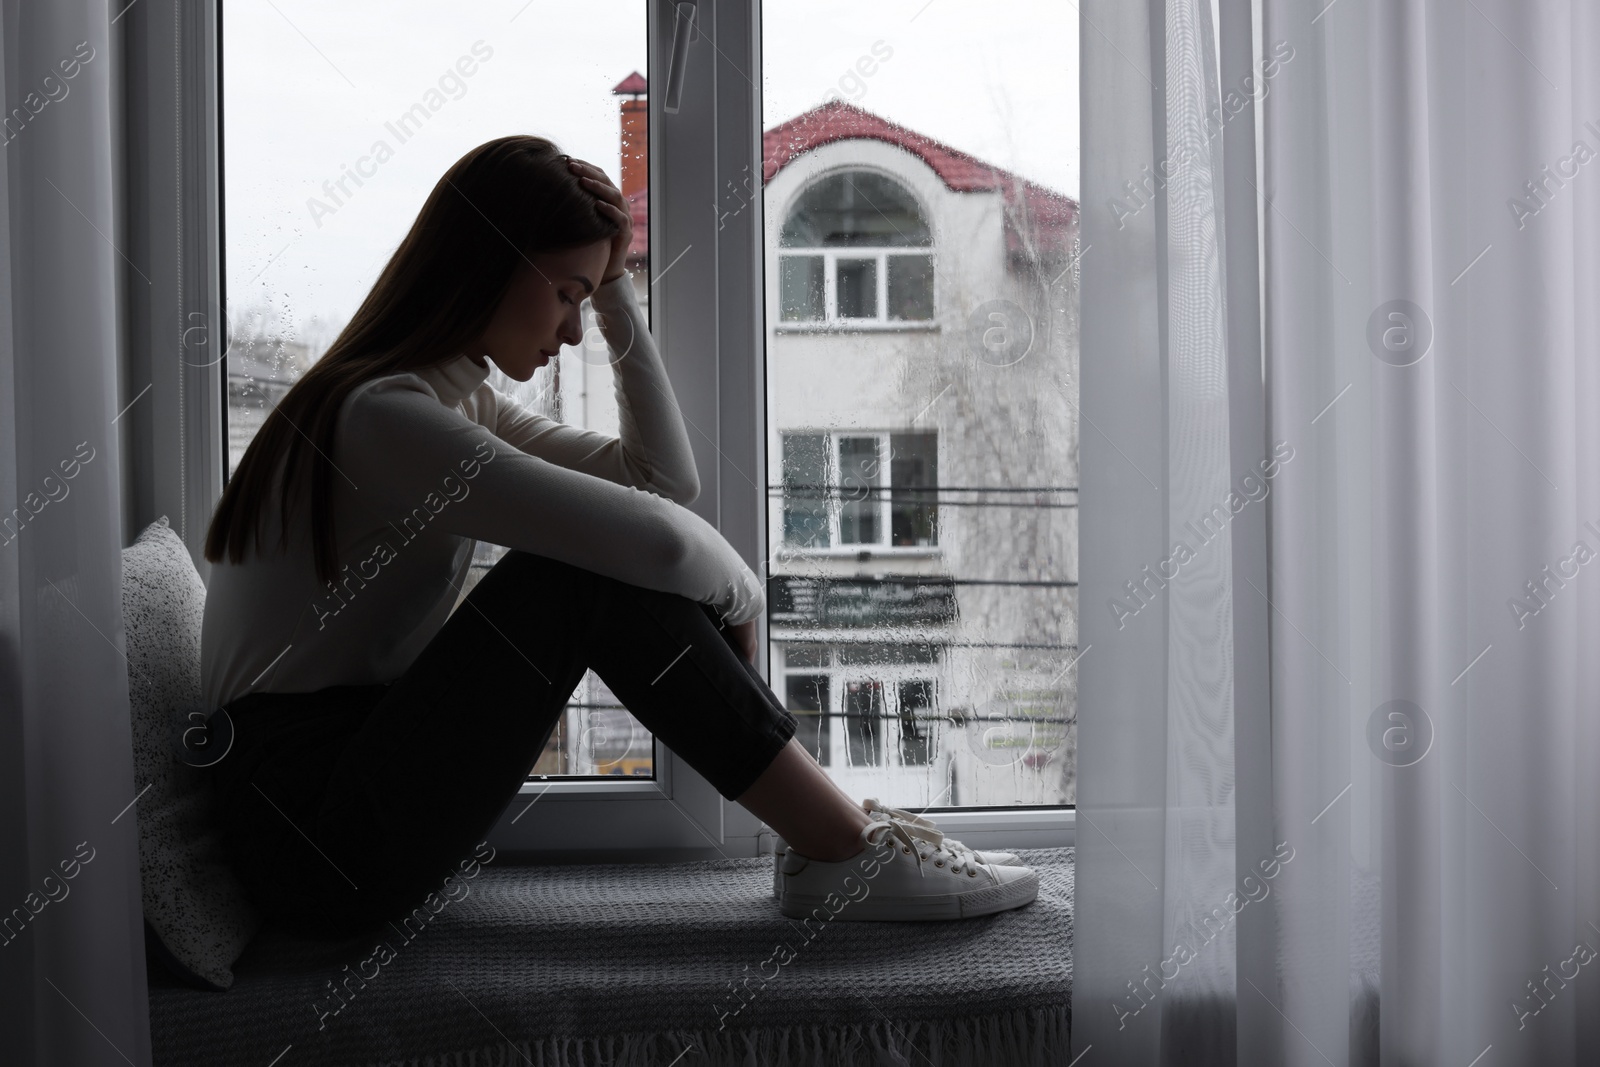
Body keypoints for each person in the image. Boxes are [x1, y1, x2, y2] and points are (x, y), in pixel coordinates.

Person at [199, 135, 1038, 936]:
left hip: (338, 788)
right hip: (308, 836)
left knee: (591, 556)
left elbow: (660, 482)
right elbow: (660, 541)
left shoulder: (449, 402)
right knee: (574, 573)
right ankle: (842, 845)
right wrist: (744, 588)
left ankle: (838, 835)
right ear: (489, 260)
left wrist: (613, 288)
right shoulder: (380, 418)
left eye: (583, 300)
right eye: (566, 293)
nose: (571, 331)